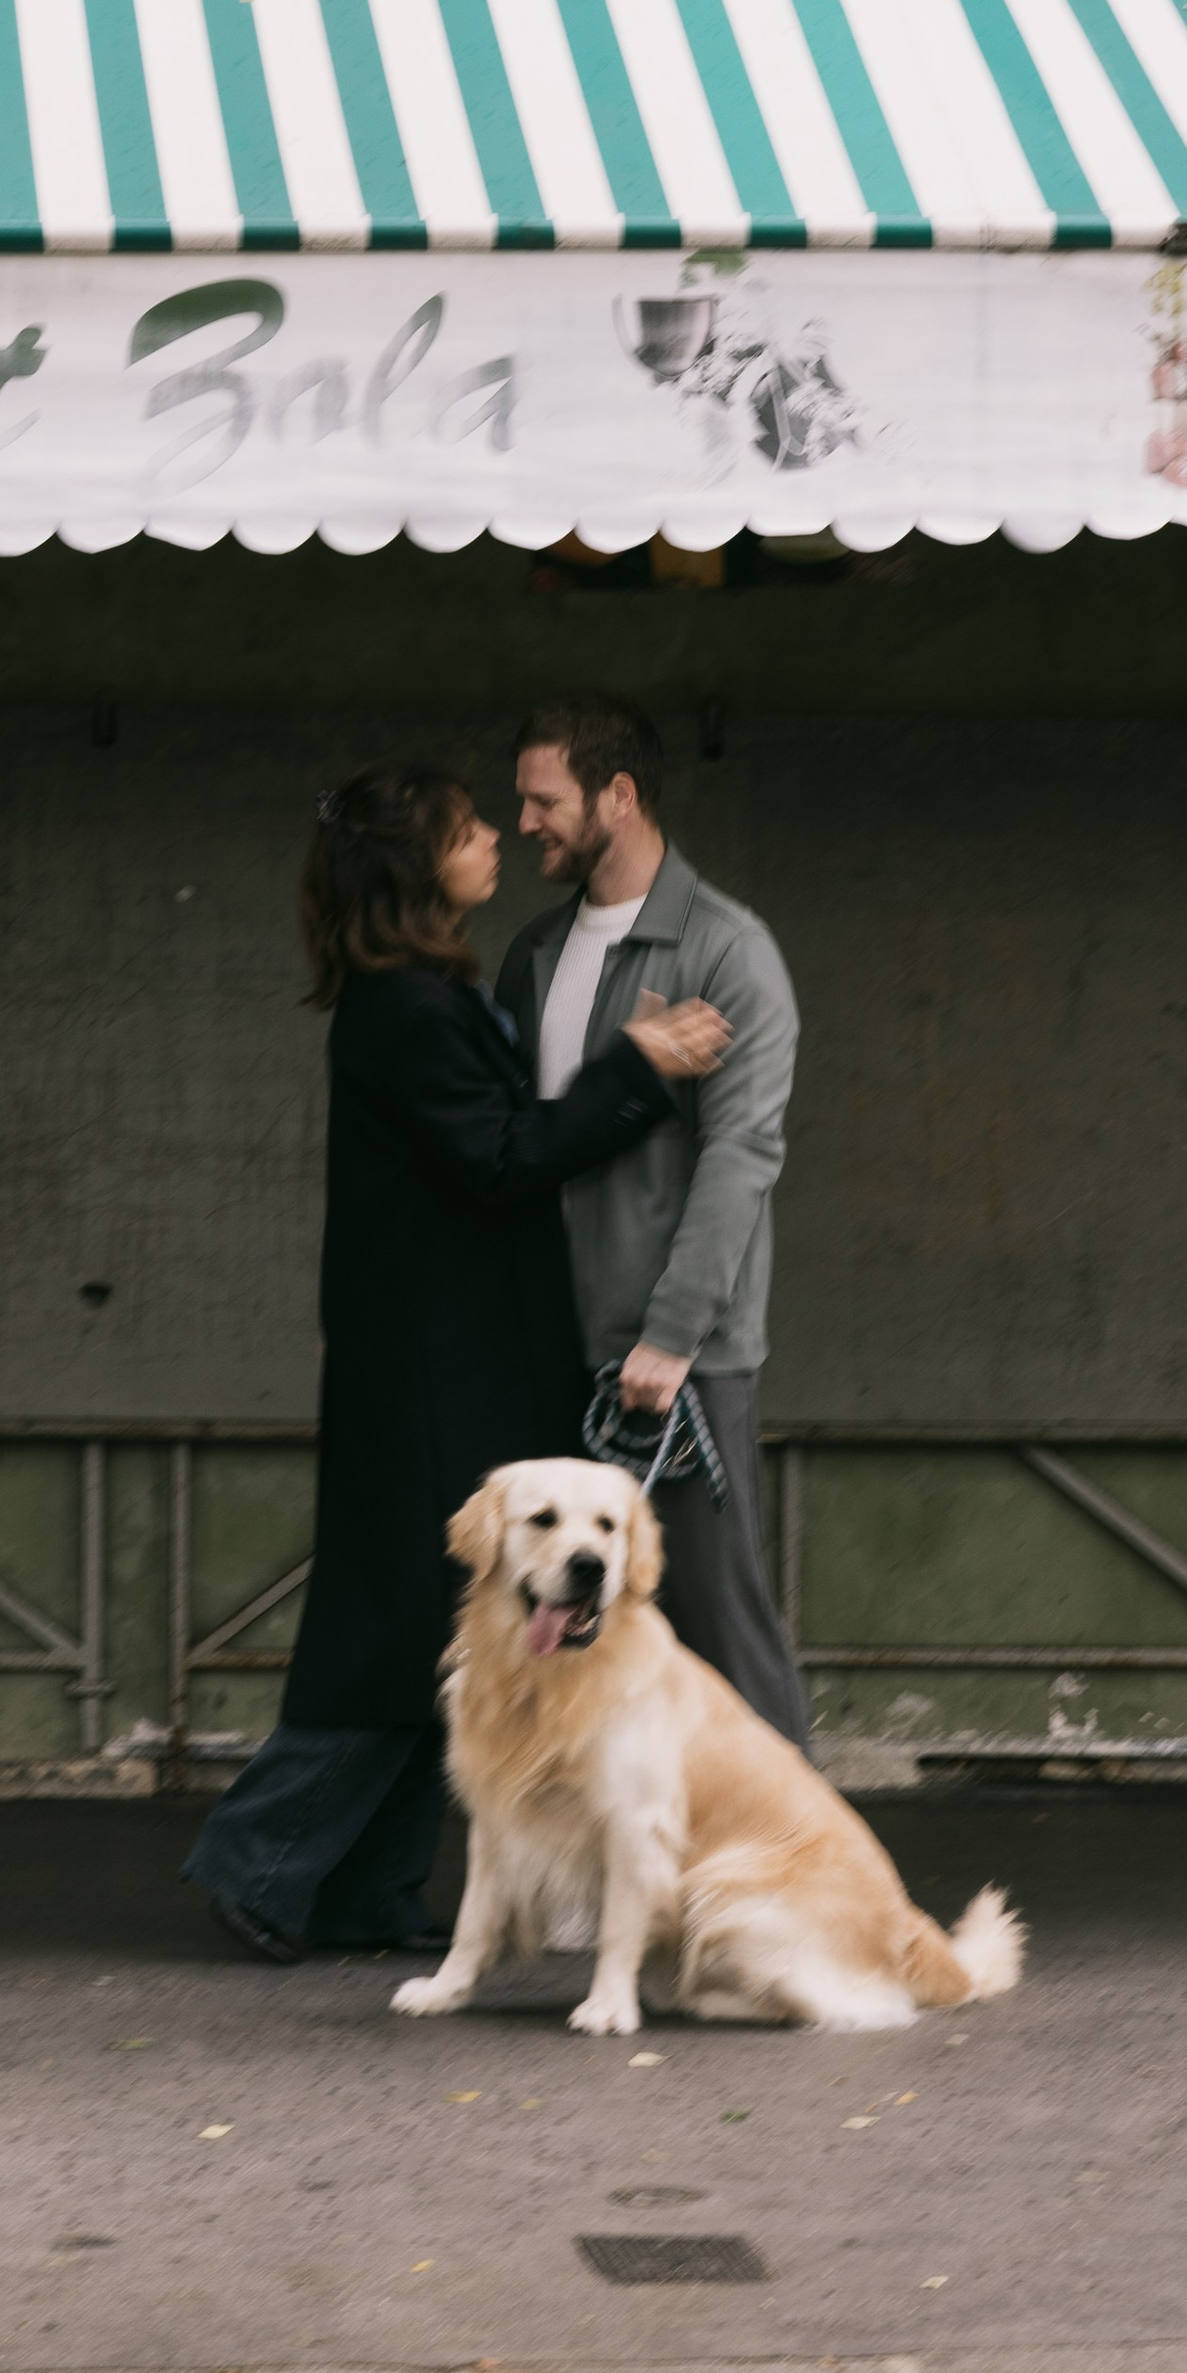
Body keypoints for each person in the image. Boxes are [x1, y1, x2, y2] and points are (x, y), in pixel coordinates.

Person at [184, 762, 731, 1963]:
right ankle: (263, 1862)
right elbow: (500, 1157)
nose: (494, 837)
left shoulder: (416, 999)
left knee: (441, 1621)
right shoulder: (404, 1011)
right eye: (468, 827)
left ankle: (365, 1893)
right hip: (433, 1371)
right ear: (415, 867)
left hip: (442, 1361)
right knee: (397, 1625)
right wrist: (634, 1069)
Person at [496, 691, 811, 1751]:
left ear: (617, 797)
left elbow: (742, 1152)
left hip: (668, 1361)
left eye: (544, 801)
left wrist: (673, 1334)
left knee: (719, 1632)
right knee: (565, 1637)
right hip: (549, 1342)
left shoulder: (727, 950)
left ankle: (801, 1874)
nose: (525, 823)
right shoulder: (535, 952)